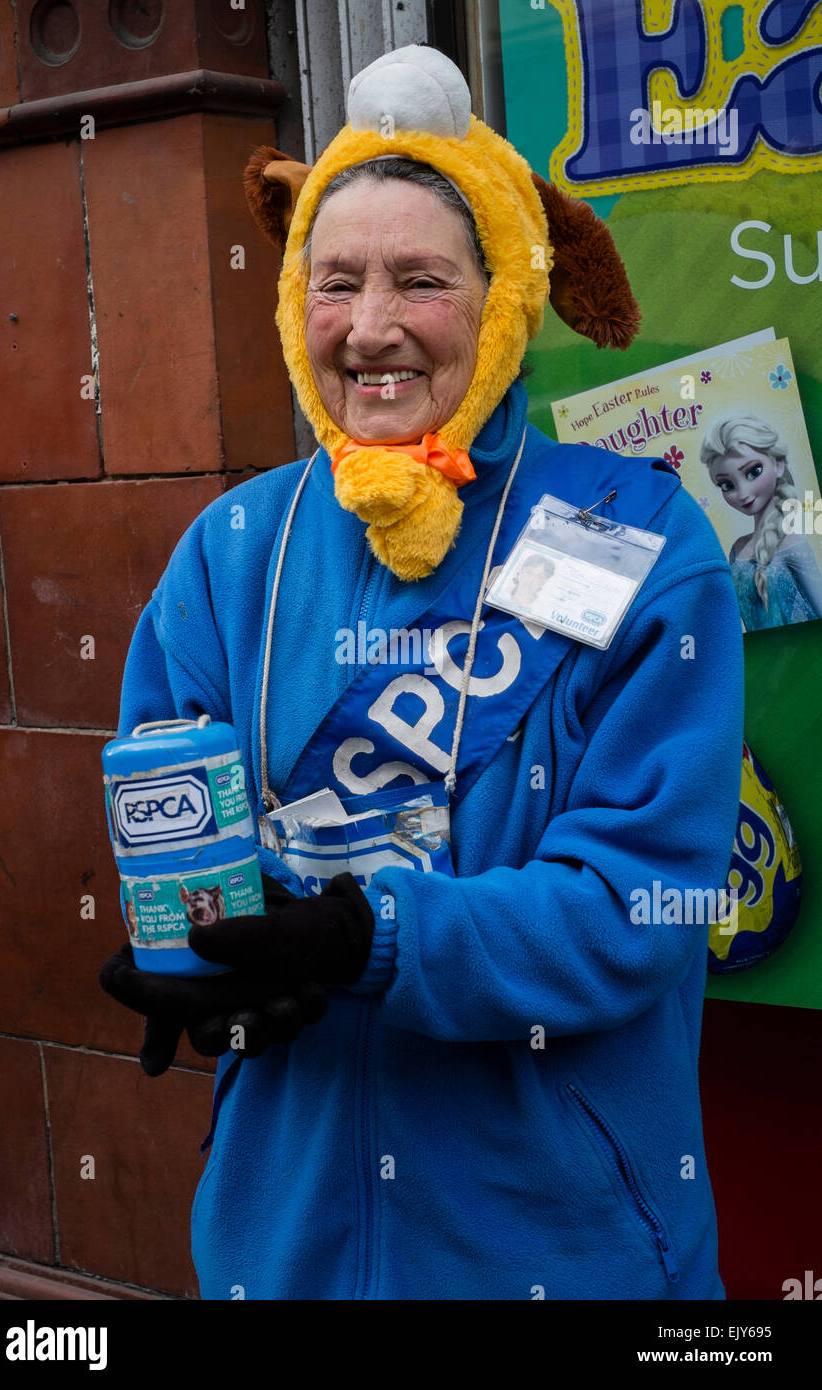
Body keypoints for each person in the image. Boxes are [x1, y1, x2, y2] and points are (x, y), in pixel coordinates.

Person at [100, 45, 744, 1300]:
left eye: (421, 280)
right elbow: (171, 838)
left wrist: (364, 936)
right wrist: (206, 966)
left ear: (501, 300)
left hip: (562, 1250)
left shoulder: (642, 545)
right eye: (334, 282)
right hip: (281, 1253)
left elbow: (633, 909)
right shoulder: (229, 555)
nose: (373, 326)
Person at [700, 412, 822, 630]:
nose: (743, 494)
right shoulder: (737, 550)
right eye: (727, 485)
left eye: (754, 471)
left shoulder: (793, 546)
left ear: (778, 464)